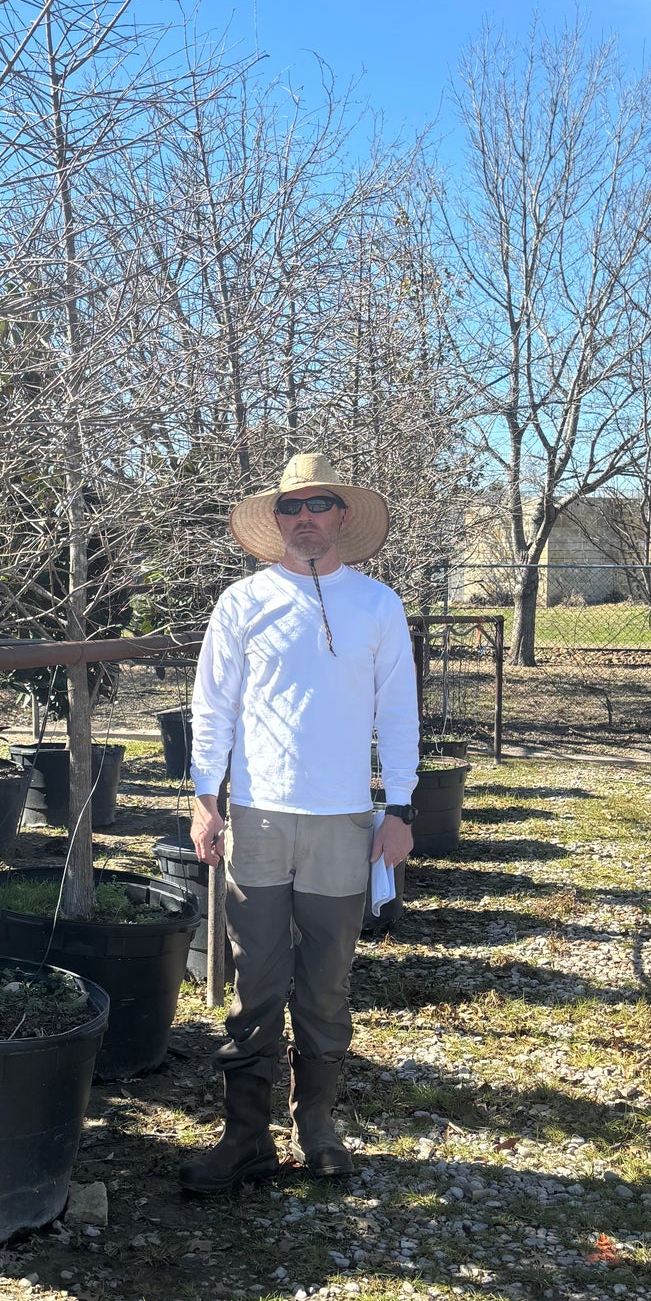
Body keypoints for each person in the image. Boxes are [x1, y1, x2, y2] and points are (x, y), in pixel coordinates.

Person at [180, 451, 418, 1196]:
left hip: (344, 821)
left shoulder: (378, 604)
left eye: (318, 504)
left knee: (324, 986)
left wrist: (401, 807)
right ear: (275, 520)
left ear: (341, 515)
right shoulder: (241, 602)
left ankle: (315, 1125)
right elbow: (211, 705)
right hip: (257, 816)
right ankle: (244, 1136)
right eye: (291, 507)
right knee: (254, 983)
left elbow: (397, 713)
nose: (305, 517)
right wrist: (203, 797)